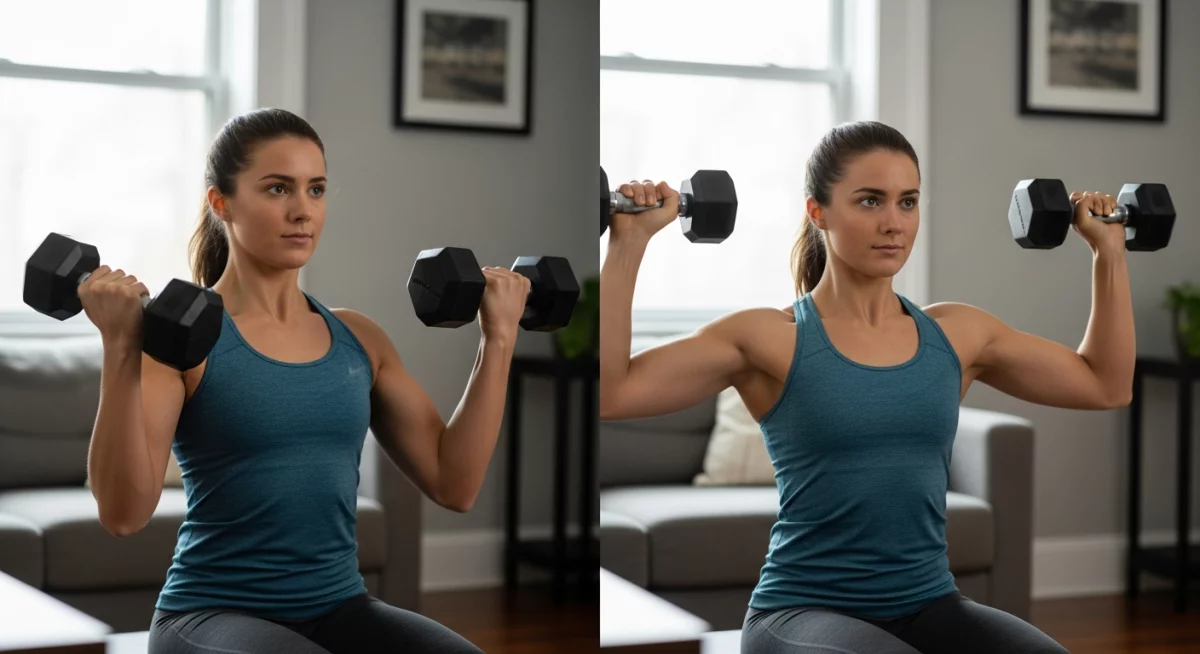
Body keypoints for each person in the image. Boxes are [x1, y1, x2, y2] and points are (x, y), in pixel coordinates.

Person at [599, 121, 1134, 654]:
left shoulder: (959, 334)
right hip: (801, 612)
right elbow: (611, 394)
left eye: (907, 202)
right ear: (819, 212)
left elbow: (1105, 384)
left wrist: (1107, 252)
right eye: (870, 201)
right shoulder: (766, 338)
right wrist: (629, 243)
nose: (893, 223)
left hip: (931, 605)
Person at [81, 108, 529, 653]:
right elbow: (123, 515)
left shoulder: (359, 339)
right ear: (221, 202)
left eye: (315, 190)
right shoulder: (184, 340)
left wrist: (498, 339)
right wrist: (121, 346)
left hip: (340, 607)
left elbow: (454, 484)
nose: (302, 211)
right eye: (277, 189)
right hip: (209, 615)